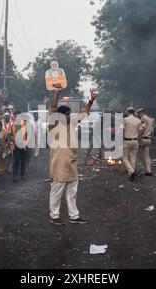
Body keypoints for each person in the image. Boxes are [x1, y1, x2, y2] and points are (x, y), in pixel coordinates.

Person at [47, 88, 98, 226]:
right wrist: (56, 94)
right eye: (67, 114)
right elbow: (52, 108)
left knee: (72, 190)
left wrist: (91, 100)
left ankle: (74, 216)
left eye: (70, 114)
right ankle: (54, 216)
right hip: (59, 163)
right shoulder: (54, 124)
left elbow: (84, 112)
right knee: (57, 190)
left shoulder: (72, 122)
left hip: (72, 162)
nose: (70, 116)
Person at [122, 107, 141, 182]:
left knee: (124, 157)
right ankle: (131, 176)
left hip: (127, 140)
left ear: (127, 112)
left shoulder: (125, 119)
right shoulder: (138, 120)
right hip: (135, 141)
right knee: (133, 158)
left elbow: (123, 130)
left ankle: (132, 172)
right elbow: (140, 131)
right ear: (133, 112)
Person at [11, 112, 29, 183]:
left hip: (24, 145)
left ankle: (22, 175)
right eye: (16, 116)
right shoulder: (13, 126)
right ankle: (15, 176)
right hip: (16, 145)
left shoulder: (25, 125)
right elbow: (11, 135)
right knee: (16, 160)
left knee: (23, 160)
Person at [137, 108, 153, 176]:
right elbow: (152, 130)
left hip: (142, 138)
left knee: (133, 153)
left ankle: (135, 169)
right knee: (147, 156)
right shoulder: (150, 119)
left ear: (142, 112)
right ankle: (149, 171)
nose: (138, 115)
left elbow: (142, 129)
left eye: (139, 113)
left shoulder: (143, 118)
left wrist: (139, 137)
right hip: (148, 138)